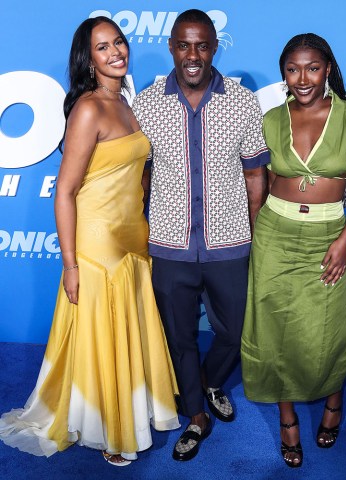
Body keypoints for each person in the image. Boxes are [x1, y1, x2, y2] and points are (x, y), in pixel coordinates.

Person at [0, 16, 180, 466]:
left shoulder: (130, 104)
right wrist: (71, 264)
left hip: (135, 236)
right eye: (102, 47)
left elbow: (137, 174)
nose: (115, 52)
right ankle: (109, 429)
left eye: (118, 42)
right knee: (102, 335)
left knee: (126, 332)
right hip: (98, 243)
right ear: (89, 58)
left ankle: (130, 415)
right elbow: (65, 190)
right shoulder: (88, 108)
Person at [241, 33, 346, 468]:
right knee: (275, 330)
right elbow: (258, 187)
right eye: (292, 69)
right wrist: (255, 238)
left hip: (327, 237)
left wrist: (344, 242)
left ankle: (333, 404)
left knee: (327, 331)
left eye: (312, 68)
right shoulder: (269, 119)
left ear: (327, 70)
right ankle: (287, 422)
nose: (302, 78)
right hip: (275, 233)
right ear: (284, 73)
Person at [132, 9, 269, 461]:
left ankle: (208, 382)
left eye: (203, 45)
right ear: (172, 46)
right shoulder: (148, 104)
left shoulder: (243, 102)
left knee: (233, 331)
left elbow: (255, 176)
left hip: (229, 241)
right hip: (169, 244)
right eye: (184, 45)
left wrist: (249, 230)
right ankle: (195, 414)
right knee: (179, 334)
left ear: (215, 47)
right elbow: (141, 174)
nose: (193, 55)